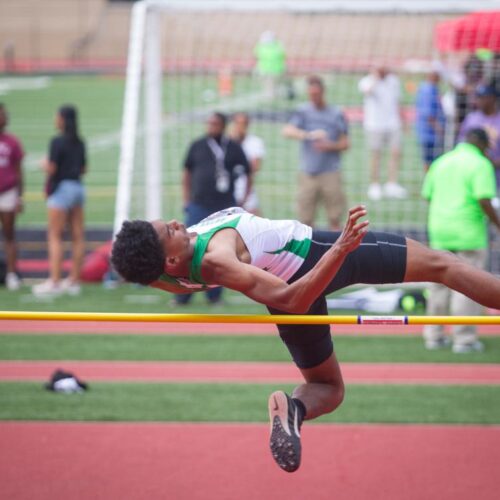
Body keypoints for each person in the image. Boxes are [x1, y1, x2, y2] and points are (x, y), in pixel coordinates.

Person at [111, 204, 500, 473]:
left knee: (328, 388)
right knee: (445, 265)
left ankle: (293, 411)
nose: (177, 222)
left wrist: (174, 277)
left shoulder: (167, 271)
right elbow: (294, 298)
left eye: (167, 223)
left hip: (289, 282)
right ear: (171, 260)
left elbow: (145, 271)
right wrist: (341, 248)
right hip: (315, 259)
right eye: (170, 231)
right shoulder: (216, 257)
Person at [421, 128, 500, 353]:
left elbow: (427, 195)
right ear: (482, 145)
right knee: (468, 286)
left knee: (437, 286)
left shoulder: (441, 162)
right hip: (468, 232)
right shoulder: (480, 164)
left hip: (439, 231)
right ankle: (463, 339)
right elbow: (484, 199)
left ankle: (433, 336)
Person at [175, 111, 251, 305]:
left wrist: (242, 200)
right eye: (209, 123)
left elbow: (248, 173)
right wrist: (186, 199)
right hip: (199, 204)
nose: (211, 127)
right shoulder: (197, 145)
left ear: (223, 126)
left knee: (221, 252)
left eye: (215, 124)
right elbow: (187, 173)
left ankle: (214, 296)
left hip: (224, 208)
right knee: (188, 249)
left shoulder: (233, 147)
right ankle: (183, 294)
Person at [32, 105, 87, 296]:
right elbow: (83, 169)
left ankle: (54, 280)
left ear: (62, 119)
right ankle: (73, 280)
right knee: (78, 236)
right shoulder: (80, 141)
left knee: (55, 235)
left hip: (62, 189)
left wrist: (42, 164)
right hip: (78, 188)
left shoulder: (57, 141)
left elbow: (52, 168)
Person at [283, 75, 349, 230]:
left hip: (330, 173)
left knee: (335, 218)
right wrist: (308, 135)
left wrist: (330, 146)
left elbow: (346, 143)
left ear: (323, 92)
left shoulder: (336, 113)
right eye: (311, 94)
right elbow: (287, 130)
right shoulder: (303, 111)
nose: (314, 98)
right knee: (305, 221)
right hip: (307, 173)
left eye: (316, 94)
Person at [358, 65, 407, 200]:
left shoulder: (394, 81)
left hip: (393, 123)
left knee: (395, 154)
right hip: (374, 125)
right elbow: (367, 91)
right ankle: (375, 185)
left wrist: (404, 121)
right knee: (376, 155)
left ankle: (392, 183)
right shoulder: (367, 81)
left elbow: (398, 101)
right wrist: (376, 78)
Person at [0, 102, 24, 290]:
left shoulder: (12, 141)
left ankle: (11, 273)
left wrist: (19, 196)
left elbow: (18, 170)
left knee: (9, 234)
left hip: (7, 192)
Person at [458, 83, 500, 188]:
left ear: (492, 99)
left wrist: (494, 164)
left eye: (483, 98)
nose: (479, 101)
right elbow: (461, 144)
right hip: (473, 173)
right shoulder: (471, 119)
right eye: (478, 98)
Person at [229, 112, 265, 216]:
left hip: (246, 185)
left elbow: (255, 167)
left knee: (253, 217)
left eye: (243, 124)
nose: (240, 127)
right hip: (228, 187)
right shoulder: (226, 142)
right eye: (237, 123)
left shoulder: (255, 142)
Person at [415, 68, 446, 171]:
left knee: (433, 160)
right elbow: (428, 114)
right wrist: (438, 128)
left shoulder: (432, 88)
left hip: (430, 133)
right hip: (429, 134)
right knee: (430, 161)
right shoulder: (428, 90)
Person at [254, 31, 287, 99]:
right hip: (277, 71)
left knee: (269, 87)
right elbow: (283, 56)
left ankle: (270, 97)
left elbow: (256, 55)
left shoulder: (261, 47)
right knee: (272, 86)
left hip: (266, 71)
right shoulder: (278, 46)